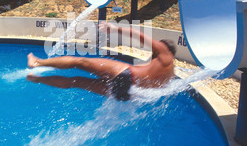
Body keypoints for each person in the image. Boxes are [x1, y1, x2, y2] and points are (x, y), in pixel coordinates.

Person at [26, 22, 176, 101]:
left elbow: (139, 35)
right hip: (124, 94)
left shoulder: (164, 52)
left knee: (80, 61)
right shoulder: (170, 75)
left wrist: (114, 28)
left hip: (126, 76)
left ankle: (38, 62)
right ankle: (36, 79)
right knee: (75, 81)